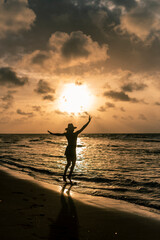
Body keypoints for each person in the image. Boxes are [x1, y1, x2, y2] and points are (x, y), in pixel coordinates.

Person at [48, 116, 91, 182]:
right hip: (71, 150)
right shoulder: (74, 134)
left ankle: (67, 176)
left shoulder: (68, 134)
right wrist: (88, 122)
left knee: (70, 164)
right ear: (72, 129)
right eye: (72, 129)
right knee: (71, 164)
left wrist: (52, 133)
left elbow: (59, 134)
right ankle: (67, 176)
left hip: (69, 150)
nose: (72, 130)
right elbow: (82, 128)